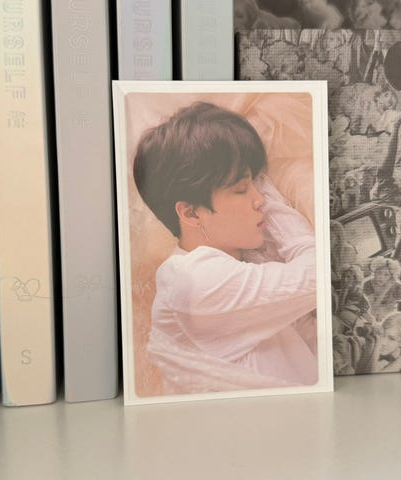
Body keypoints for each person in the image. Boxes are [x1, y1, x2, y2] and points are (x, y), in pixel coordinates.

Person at [132, 101, 318, 395]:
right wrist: (270, 198)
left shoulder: (244, 266)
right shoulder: (192, 279)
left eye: (257, 182)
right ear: (191, 213)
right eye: (241, 189)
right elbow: (319, 275)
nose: (260, 199)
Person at [363, 257, 401, 322]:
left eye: (386, 275)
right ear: (374, 272)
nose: (381, 277)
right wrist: (385, 290)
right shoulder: (368, 284)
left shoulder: (398, 287)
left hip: (389, 316)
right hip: (370, 315)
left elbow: (395, 310)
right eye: (379, 273)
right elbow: (371, 310)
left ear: (391, 277)